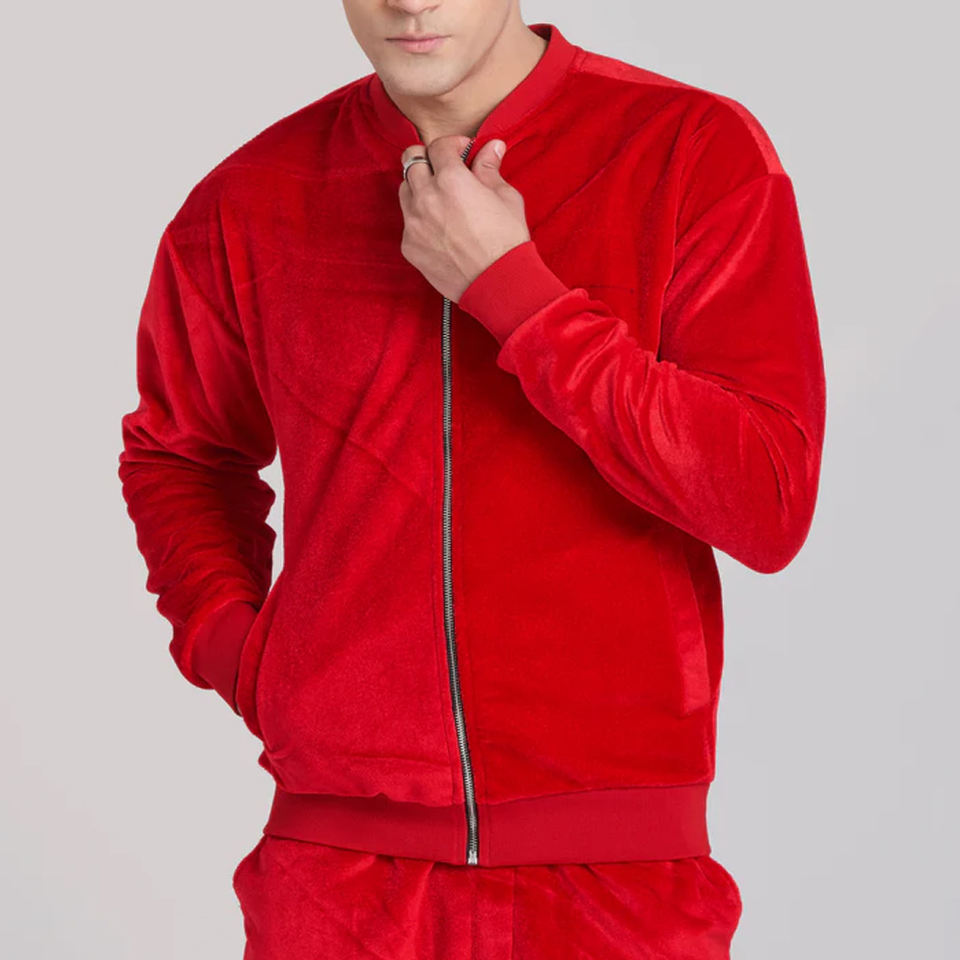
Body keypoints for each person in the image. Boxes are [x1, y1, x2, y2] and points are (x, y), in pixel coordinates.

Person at [117, 3, 826, 957]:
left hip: (617, 880)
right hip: (334, 876)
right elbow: (183, 455)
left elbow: (767, 501)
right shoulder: (249, 197)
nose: (412, 0)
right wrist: (242, 654)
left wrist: (517, 292)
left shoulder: (690, 150)